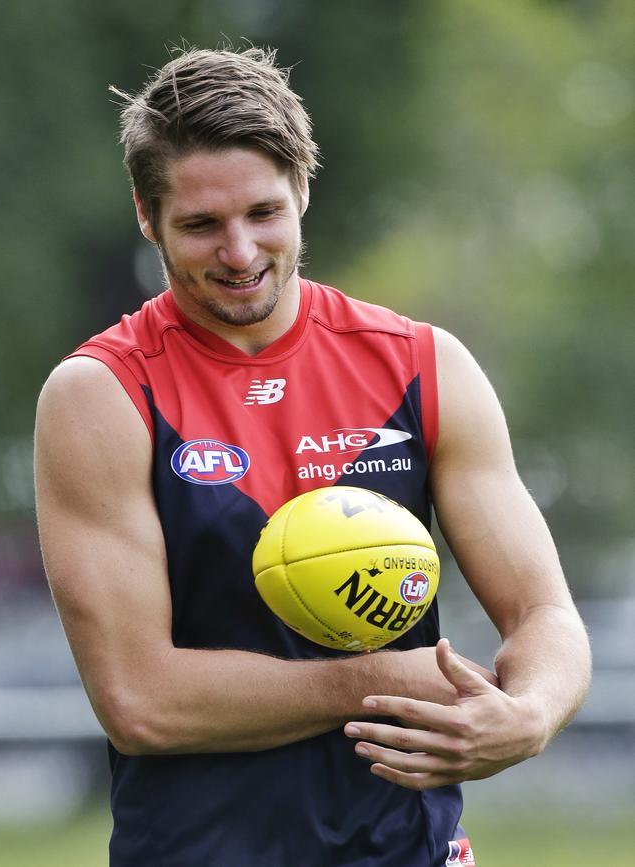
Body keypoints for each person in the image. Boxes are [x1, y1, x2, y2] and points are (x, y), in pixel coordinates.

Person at [34, 46, 591, 867]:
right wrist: (374, 681)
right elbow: (141, 701)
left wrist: (531, 712)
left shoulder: (422, 364)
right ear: (147, 215)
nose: (239, 251)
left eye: (263, 212)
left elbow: (545, 614)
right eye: (200, 224)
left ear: (302, 187)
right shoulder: (102, 395)